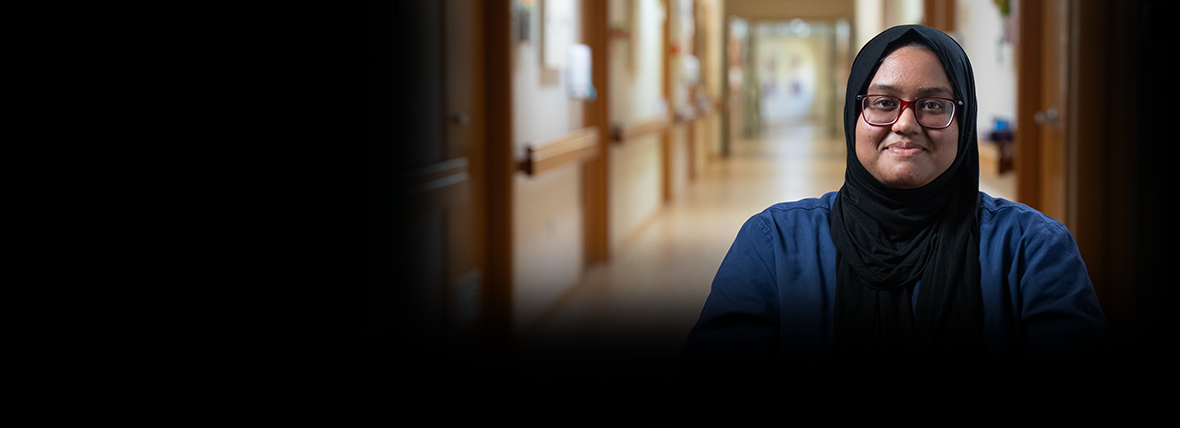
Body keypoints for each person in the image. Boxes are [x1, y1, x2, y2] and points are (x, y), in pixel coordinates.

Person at [681, 25, 1108, 368]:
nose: (905, 123)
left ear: (965, 120)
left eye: (934, 106)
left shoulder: (1031, 249)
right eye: (884, 102)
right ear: (854, 114)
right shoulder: (775, 243)